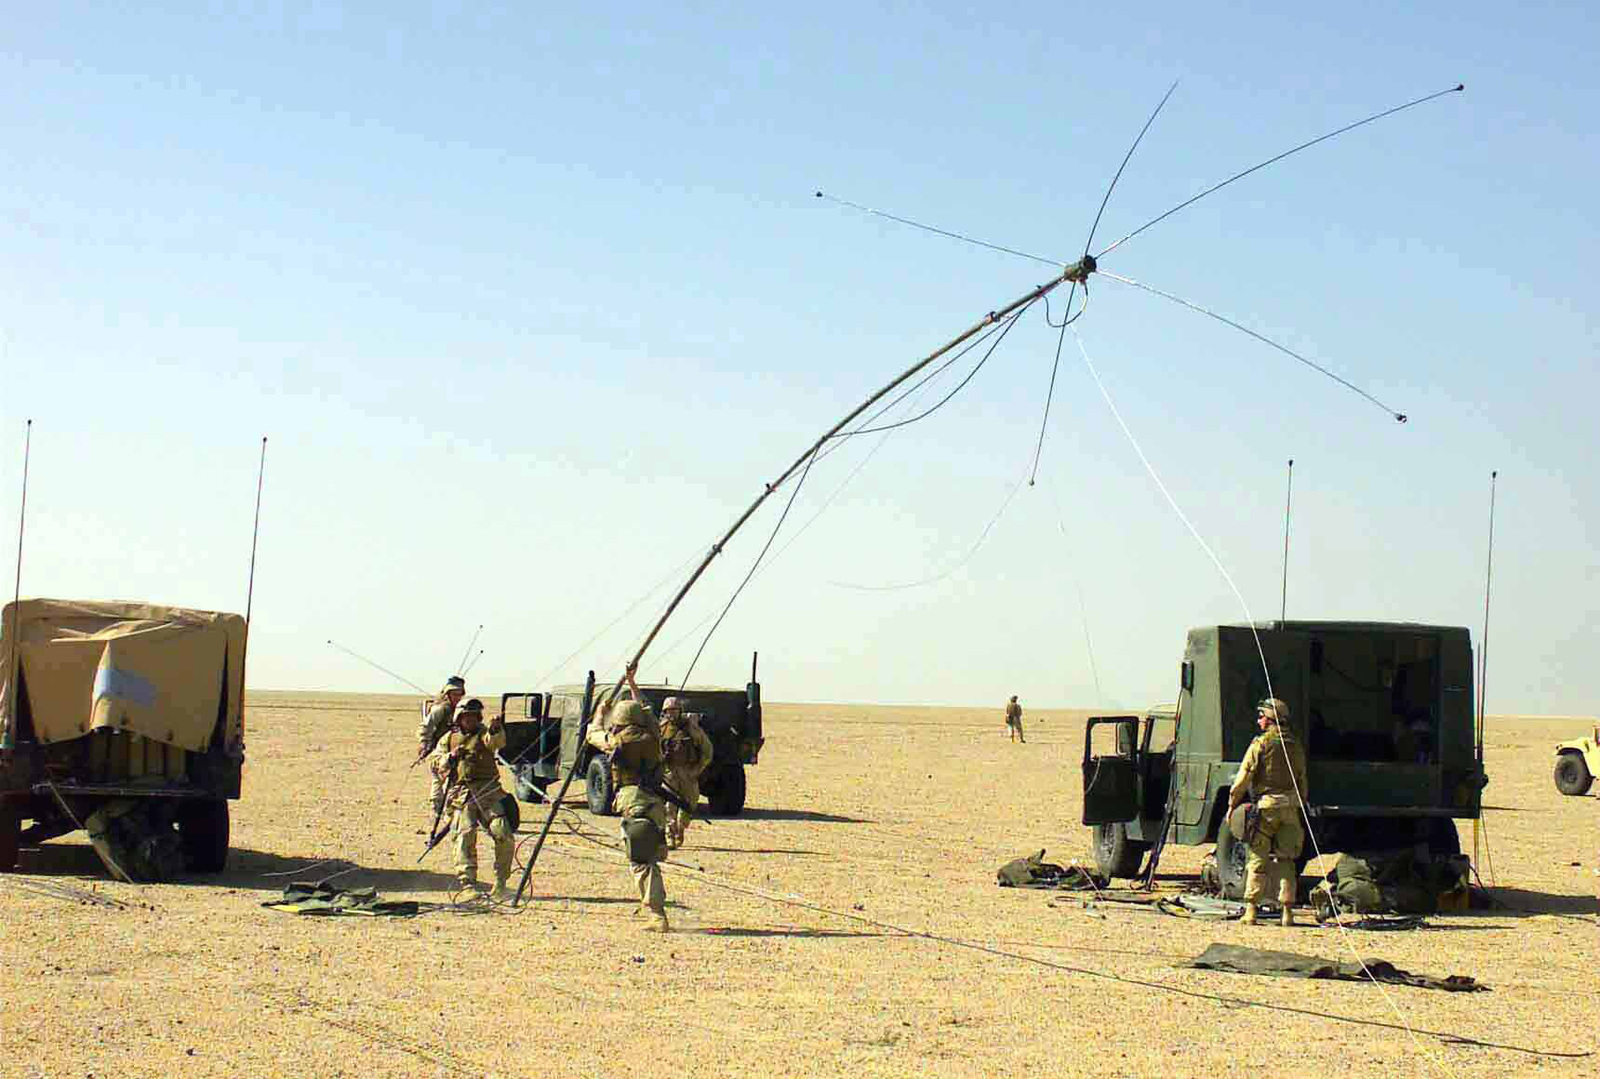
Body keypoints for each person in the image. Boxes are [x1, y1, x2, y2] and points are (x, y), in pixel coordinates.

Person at [1228, 697, 1308, 926]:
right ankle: (1287, 913)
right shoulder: (1295, 746)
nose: (1258, 720)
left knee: (1257, 859)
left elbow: (1243, 778)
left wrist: (1232, 805)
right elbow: (1302, 780)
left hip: (1266, 809)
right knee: (1287, 861)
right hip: (1290, 809)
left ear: (1271, 719)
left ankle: (1251, 910)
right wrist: (1298, 803)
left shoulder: (1260, 744)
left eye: (1262, 716)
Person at [606, 666, 670, 932]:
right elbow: (645, 709)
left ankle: (656, 914)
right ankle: (655, 909)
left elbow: (593, 734)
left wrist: (599, 716)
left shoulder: (619, 741)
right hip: (655, 802)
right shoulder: (653, 734)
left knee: (640, 860)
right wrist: (632, 683)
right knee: (650, 854)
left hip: (635, 801)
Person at [435, 697, 515, 900]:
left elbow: (496, 743)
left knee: (502, 832)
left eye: (473, 716)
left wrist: (496, 728)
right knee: (464, 835)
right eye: (465, 716)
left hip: (489, 792)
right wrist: (451, 757)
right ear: (458, 718)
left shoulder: (485, 734)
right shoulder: (448, 739)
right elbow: (435, 765)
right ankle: (468, 884)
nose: (469, 720)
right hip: (462, 794)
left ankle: (500, 884)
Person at [660, 696, 713, 849]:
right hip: (669, 772)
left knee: (689, 803)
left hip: (687, 771)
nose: (671, 714)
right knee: (670, 804)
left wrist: (697, 769)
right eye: (668, 711)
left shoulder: (690, 728)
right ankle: (671, 834)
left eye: (674, 710)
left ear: (680, 711)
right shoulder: (662, 728)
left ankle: (681, 828)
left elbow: (707, 750)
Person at [418, 676, 466, 820]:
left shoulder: (459, 709)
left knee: (451, 781)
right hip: (439, 750)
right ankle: (437, 809)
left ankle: (448, 810)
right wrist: (423, 744)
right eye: (455, 694)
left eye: (460, 694)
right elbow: (426, 727)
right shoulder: (441, 709)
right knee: (439, 779)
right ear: (448, 694)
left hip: (453, 748)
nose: (458, 697)